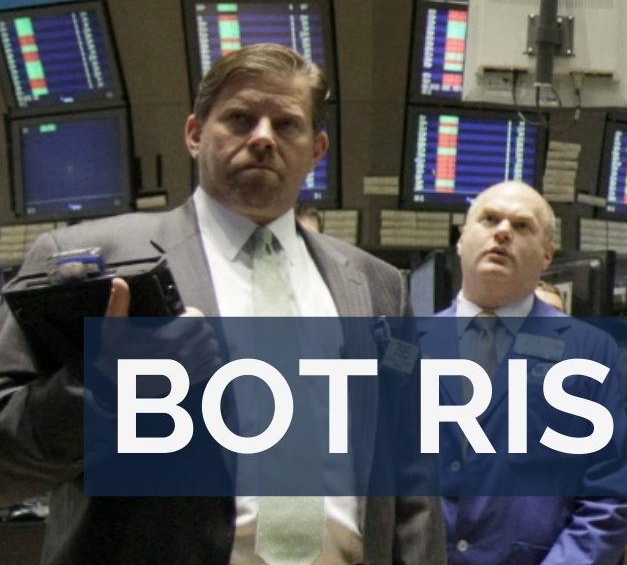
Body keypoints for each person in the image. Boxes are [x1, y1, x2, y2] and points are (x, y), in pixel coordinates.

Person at [0, 43, 445, 564]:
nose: (263, 137)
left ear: (316, 150)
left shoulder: (377, 285)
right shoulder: (89, 260)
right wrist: (101, 390)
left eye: (287, 124)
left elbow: (410, 466)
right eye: (240, 118)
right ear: (194, 134)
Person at [435, 181, 627, 565]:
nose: (502, 232)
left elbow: (614, 491)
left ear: (547, 254)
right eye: (489, 219)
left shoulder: (591, 351)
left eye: (522, 226)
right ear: (462, 240)